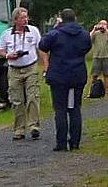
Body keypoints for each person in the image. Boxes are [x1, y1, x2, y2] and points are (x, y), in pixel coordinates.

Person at [39, 8, 91, 152]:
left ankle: (61, 143)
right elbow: (87, 48)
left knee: (60, 109)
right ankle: (75, 142)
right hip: (77, 75)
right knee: (75, 108)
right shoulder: (84, 34)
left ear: (61, 18)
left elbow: (42, 46)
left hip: (59, 76)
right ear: (75, 18)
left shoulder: (55, 34)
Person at [0, 7, 43, 141]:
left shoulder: (33, 31)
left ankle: (34, 126)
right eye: (22, 18)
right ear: (15, 20)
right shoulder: (6, 34)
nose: (25, 20)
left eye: (26, 17)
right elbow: (0, 50)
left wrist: (45, 64)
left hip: (31, 67)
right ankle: (19, 130)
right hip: (14, 69)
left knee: (32, 96)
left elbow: (40, 48)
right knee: (17, 100)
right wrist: (8, 55)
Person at [89, 19, 108, 95]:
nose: (102, 26)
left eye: (104, 24)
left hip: (107, 56)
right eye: (101, 24)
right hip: (97, 56)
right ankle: (92, 90)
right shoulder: (95, 33)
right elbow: (88, 38)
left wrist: (106, 29)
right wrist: (94, 29)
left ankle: (106, 91)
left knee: (106, 74)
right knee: (94, 74)